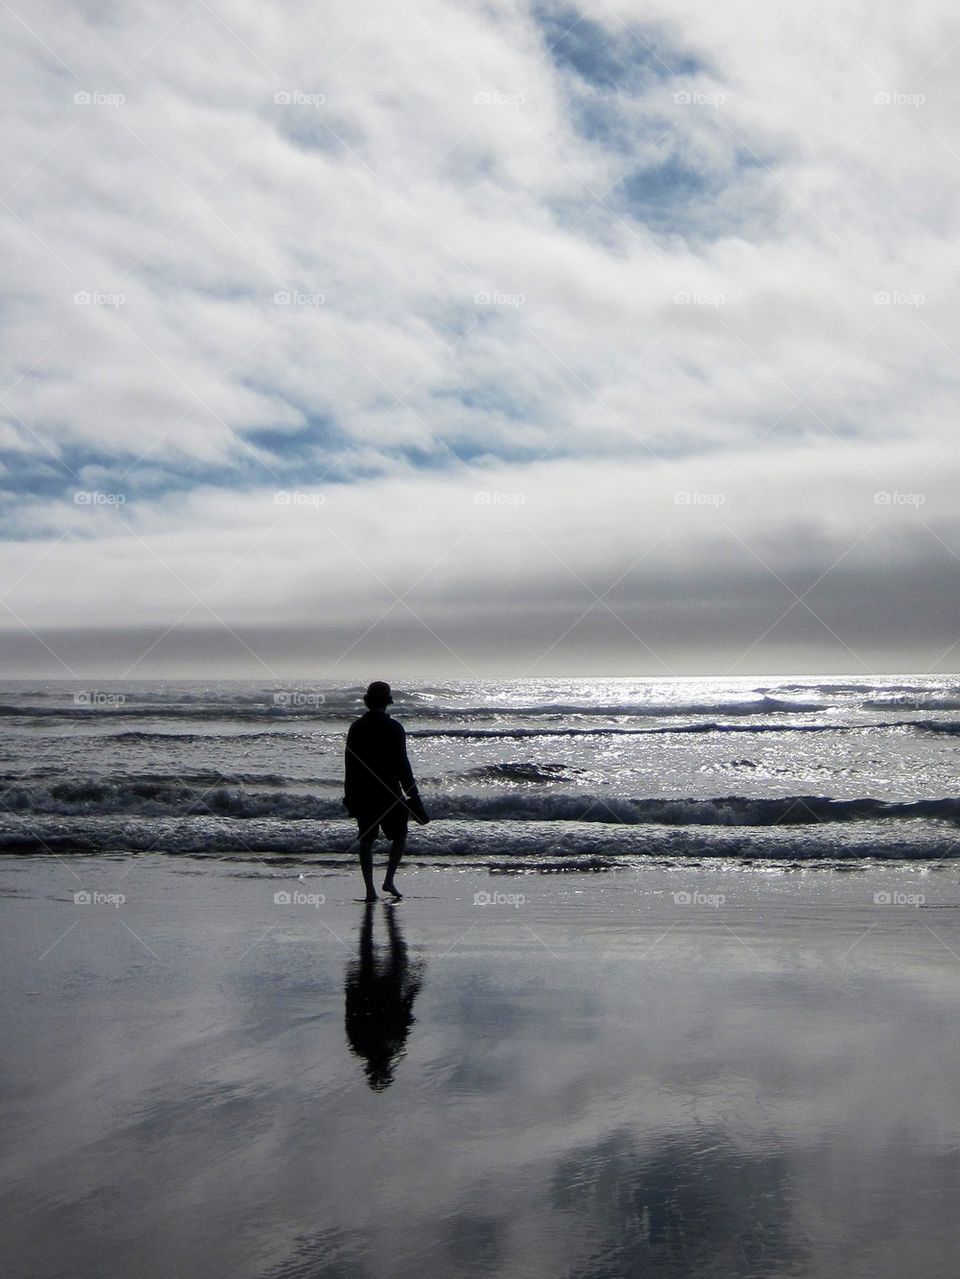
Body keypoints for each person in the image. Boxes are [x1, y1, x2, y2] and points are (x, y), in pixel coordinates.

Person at [343, 681, 429, 901]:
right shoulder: (395, 728)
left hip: (363, 792)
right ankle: (389, 880)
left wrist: (349, 794)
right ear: (387, 702)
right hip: (390, 792)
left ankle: (370, 890)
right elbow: (403, 765)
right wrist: (413, 795)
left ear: (368, 701)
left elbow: (350, 765)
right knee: (400, 836)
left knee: (366, 840)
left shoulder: (357, 727)